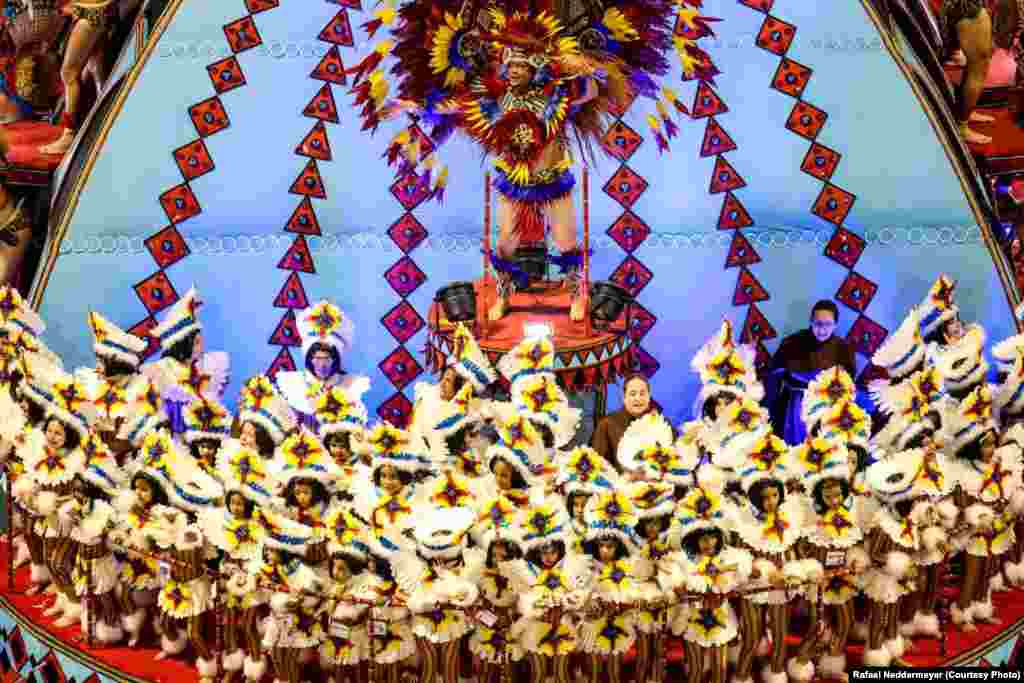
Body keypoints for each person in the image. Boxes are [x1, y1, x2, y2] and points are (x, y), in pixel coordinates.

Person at [767, 300, 857, 446]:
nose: (822, 330)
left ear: (835, 324)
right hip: (793, 406)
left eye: (827, 325)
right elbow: (774, 372)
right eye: (818, 324)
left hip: (827, 407)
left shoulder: (844, 348)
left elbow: (849, 383)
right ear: (811, 321)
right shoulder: (792, 343)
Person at [941, 0, 995, 144]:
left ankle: (965, 113)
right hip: (966, 6)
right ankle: (961, 126)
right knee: (978, 66)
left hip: (961, 6)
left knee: (974, 66)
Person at [590, 373, 663, 471]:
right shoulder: (607, 424)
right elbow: (596, 465)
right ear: (624, 397)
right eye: (632, 394)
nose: (638, 398)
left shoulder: (661, 423)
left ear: (649, 397)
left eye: (642, 394)